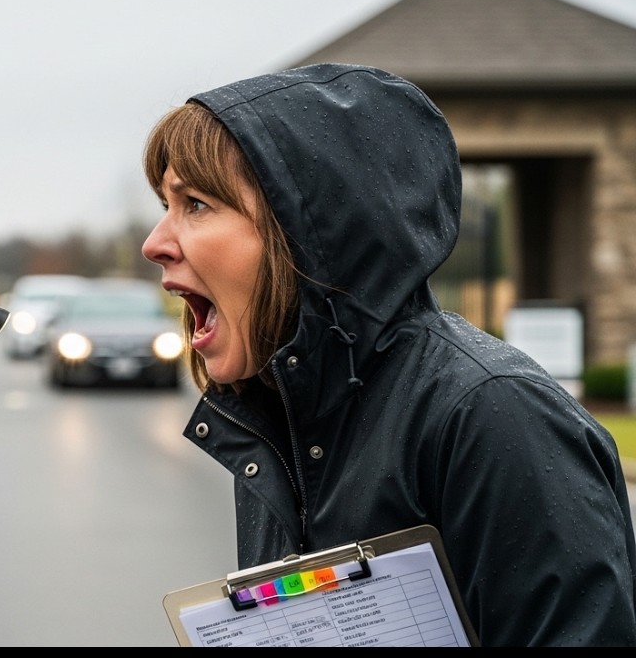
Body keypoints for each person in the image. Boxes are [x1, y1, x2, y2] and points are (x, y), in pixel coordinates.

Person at [140, 63, 636, 647]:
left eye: (195, 203)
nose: (155, 243)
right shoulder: (279, 421)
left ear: (309, 230)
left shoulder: (492, 415)